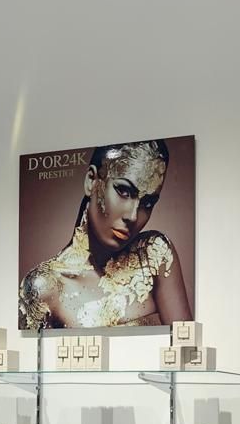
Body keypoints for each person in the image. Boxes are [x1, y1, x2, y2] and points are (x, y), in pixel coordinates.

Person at [19, 140, 192, 330]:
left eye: (148, 203)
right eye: (124, 191)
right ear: (91, 181)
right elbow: (30, 356)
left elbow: (186, 349)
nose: (133, 216)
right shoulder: (44, 285)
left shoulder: (154, 254)